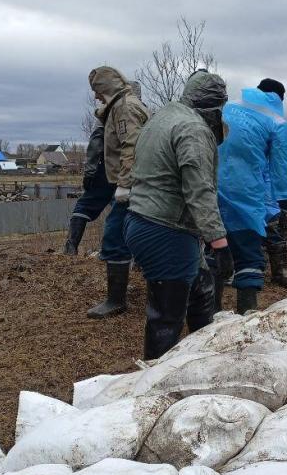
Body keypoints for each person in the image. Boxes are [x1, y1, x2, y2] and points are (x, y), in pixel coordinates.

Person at [125, 69, 233, 360]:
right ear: (214, 106)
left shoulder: (164, 116)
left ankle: (202, 359)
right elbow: (199, 190)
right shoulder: (194, 130)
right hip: (165, 229)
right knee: (166, 317)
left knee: (202, 291)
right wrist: (219, 241)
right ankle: (154, 388)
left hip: (142, 220)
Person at [218, 78, 287, 313]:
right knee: (249, 254)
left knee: (214, 246)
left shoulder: (228, 107)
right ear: (279, 98)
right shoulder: (276, 121)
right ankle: (246, 316)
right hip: (245, 189)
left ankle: (206, 316)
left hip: (207, 185)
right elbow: (282, 163)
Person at [85, 66, 149, 318]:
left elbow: (130, 147)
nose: (96, 97)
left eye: (97, 91)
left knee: (114, 236)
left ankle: (116, 300)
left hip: (134, 186)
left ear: (105, 88)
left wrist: (125, 184)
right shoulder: (124, 105)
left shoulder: (124, 109)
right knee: (137, 235)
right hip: (141, 184)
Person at [63, 122, 115, 255]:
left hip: (107, 169)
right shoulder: (141, 111)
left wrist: (90, 172)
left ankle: (71, 247)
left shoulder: (110, 112)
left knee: (84, 205)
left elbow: (96, 143)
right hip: (131, 170)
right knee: (123, 212)